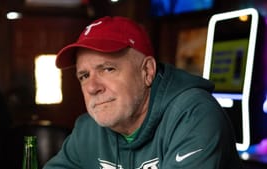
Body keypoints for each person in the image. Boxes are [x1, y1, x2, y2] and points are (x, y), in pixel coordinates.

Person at [43, 16, 242, 169]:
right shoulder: (87, 129)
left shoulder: (194, 115)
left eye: (108, 69)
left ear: (147, 71)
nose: (92, 87)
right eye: (84, 75)